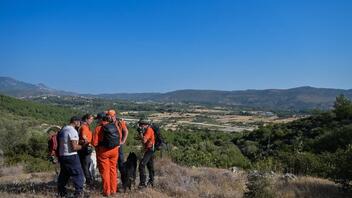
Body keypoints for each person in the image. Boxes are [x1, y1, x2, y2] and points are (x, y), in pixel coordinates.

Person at [57, 116, 87, 197]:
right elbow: (74, 147)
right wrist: (84, 146)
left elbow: (67, 142)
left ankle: (61, 192)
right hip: (71, 156)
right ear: (75, 121)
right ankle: (79, 193)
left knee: (64, 174)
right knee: (78, 174)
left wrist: (80, 142)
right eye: (79, 122)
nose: (80, 124)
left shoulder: (64, 129)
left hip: (62, 155)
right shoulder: (72, 130)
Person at [92, 112, 120, 196]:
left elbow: (95, 143)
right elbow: (119, 137)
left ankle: (106, 191)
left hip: (104, 152)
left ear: (101, 119)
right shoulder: (114, 125)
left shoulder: (98, 128)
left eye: (98, 119)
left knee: (105, 172)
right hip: (115, 150)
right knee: (113, 170)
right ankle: (113, 190)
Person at [107, 109, 129, 187]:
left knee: (121, 165)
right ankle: (113, 185)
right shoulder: (107, 123)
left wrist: (122, 141)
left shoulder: (120, 122)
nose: (108, 117)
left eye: (110, 116)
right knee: (113, 166)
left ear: (114, 116)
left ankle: (124, 184)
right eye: (108, 116)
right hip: (111, 147)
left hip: (118, 147)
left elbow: (126, 131)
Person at [137, 118, 155, 188]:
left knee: (142, 165)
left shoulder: (149, 130)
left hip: (150, 150)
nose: (140, 126)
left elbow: (144, 140)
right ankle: (151, 182)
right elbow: (142, 139)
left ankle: (142, 183)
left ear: (145, 125)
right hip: (149, 149)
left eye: (141, 125)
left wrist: (141, 133)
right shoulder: (146, 130)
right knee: (150, 166)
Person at [78, 114, 94, 186]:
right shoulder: (84, 127)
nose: (92, 121)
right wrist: (88, 143)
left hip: (85, 148)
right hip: (85, 149)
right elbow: (84, 137)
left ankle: (87, 180)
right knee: (85, 166)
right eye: (90, 119)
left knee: (86, 165)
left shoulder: (86, 126)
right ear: (86, 119)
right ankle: (89, 181)